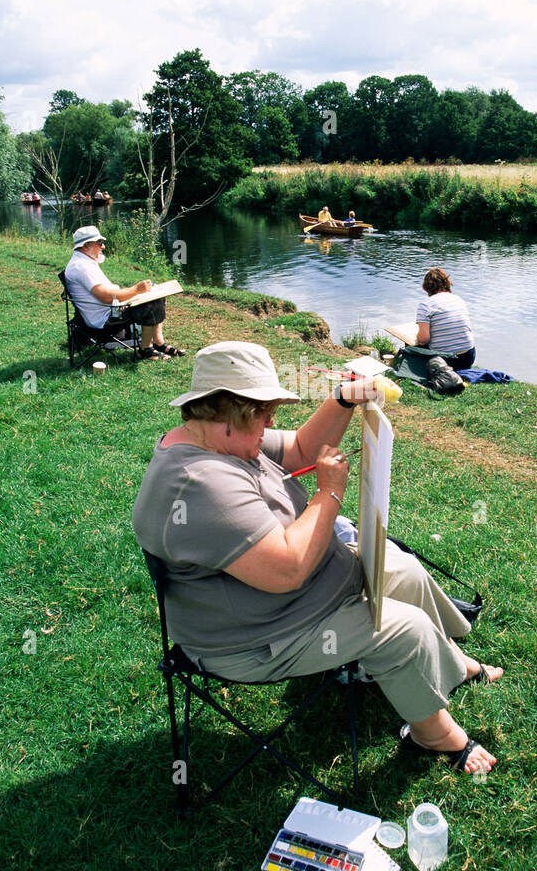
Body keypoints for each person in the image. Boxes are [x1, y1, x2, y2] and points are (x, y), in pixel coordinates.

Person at [132, 341, 502, 774]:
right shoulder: (201, 483)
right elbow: (288, 570)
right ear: (232, 413)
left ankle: (450, 662)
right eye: (265, 414)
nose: (271, 423)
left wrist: (344, 399)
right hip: (252, 637)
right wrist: (329, 492)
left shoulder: (220, 437)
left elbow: (303, 451)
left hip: (291, 600)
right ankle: (433, 736)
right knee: (403, 628)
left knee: (401, 570)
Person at [64, 225, 185, 360]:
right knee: (152, 302)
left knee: (156, 291)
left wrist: (135, 292)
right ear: (86, 246)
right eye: (99, 243)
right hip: (107, 317)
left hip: (111, 308)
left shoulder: (84, 261)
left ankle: (158, 343)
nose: (103, 246)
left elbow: (108, 295)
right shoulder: (81, 266)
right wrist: (136, 290)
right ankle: (145, 349)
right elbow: (106, 297)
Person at [414, 267, 476, 371]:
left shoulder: (425, 305)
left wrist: (417, 337)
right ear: (447, 283)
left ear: (426, 287)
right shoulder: (458, 299)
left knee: (413, 345)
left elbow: (424, 340)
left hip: (445, 361)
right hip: (468, 356)